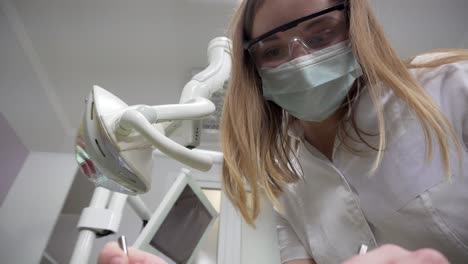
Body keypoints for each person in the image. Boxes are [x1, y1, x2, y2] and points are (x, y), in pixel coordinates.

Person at [99, 0, 468, 263]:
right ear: (254, 70)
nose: (301, 61)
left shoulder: (451, 89)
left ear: (356, 30)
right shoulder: (285, 182)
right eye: (272, 51)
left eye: (321, 35)